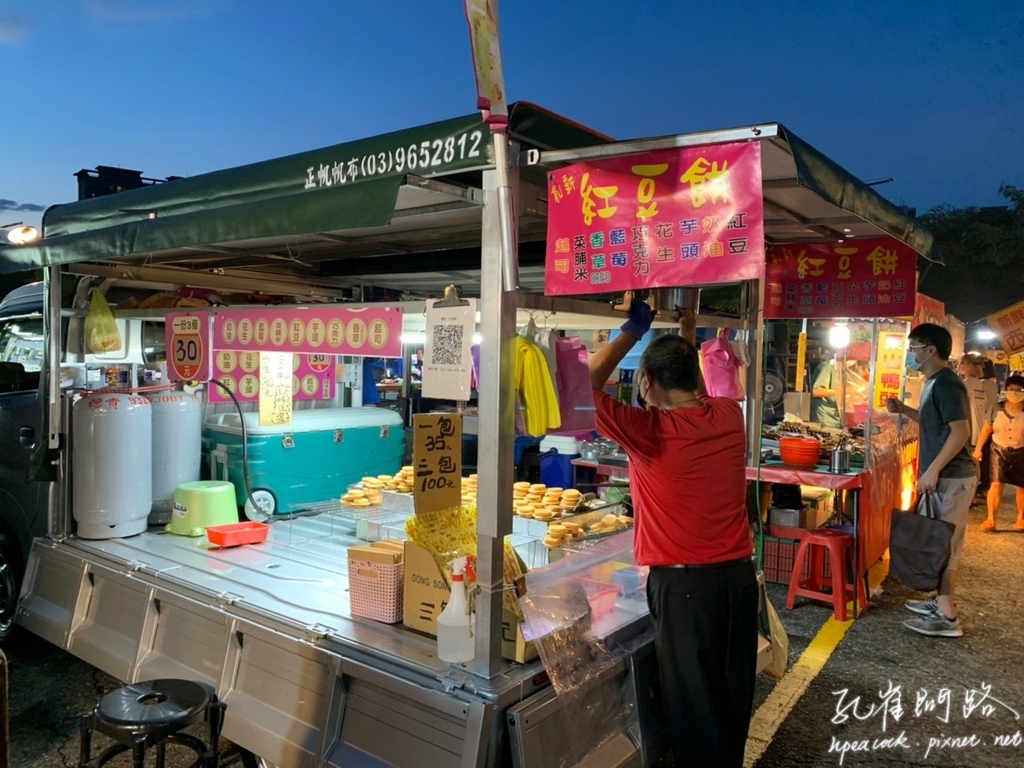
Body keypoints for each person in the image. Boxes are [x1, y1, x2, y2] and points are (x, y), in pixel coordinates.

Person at [588, 299, 757, 768]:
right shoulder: (729, 416)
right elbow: (698, 391)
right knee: (729, 699)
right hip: (738, 583)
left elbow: (584, 385)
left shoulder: (650, 431)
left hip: (685, 590)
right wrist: (685, 333)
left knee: (693, 707)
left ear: (647, 381)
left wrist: (632, 329)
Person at [886, 323, 977, 638]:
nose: (910, 354)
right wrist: (904, 410)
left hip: (953, 479)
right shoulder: (933, 382)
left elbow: (961, 432)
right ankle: (939, 601)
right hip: (944, 478)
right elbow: (934, 421)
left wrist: (933, 469)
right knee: (937, 541)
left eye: (913, 348)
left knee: (945, 545)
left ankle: (947, 616)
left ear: (930, 350)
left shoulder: (947, 384)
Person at [973, 374, 1024, 532]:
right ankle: (991, 519)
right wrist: (978, 448)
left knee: (1021, 487)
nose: (1014, 392)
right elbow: (987, 429)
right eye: (1011, 389)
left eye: (1018, 390)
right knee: (996, 484)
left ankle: (1021, 519)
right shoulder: (996, 408)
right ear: (1005, 390)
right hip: (999, 450)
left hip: (1021, 451)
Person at [958, 352, 998, 500]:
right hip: (980, 432)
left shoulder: (964, 385)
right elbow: (987, 409)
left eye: (962, 363)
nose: (959, 366)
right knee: (976, 465)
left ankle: (969, 498)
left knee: (967, 466)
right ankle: (973, 495)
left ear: (968, 365)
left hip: (967, 432)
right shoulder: (981, 385)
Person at [810, 353, 842, 428]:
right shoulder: (827, 367)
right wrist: (844, 391)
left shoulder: (842, 370)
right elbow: (816, 391)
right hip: (825, 418)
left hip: (836, 417)